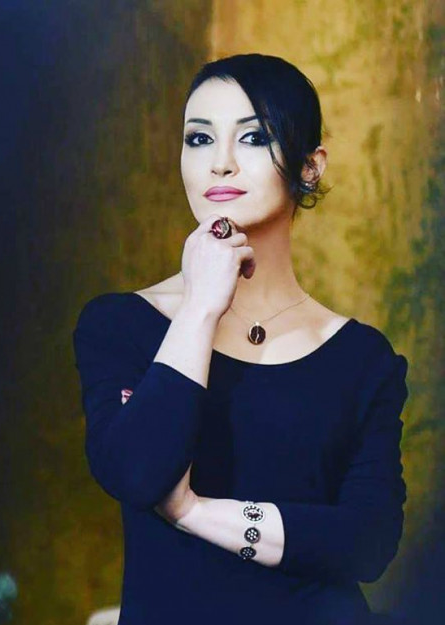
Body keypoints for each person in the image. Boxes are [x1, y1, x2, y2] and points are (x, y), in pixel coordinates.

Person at [72, 54, 408, 625]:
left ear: (309, 167)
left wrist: (193, 512)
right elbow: (136, 472)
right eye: (199, 138)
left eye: (253, 137)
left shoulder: (361, 357)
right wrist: (200, 307)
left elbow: (368, 542)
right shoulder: (120, 324)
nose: (219, 163)